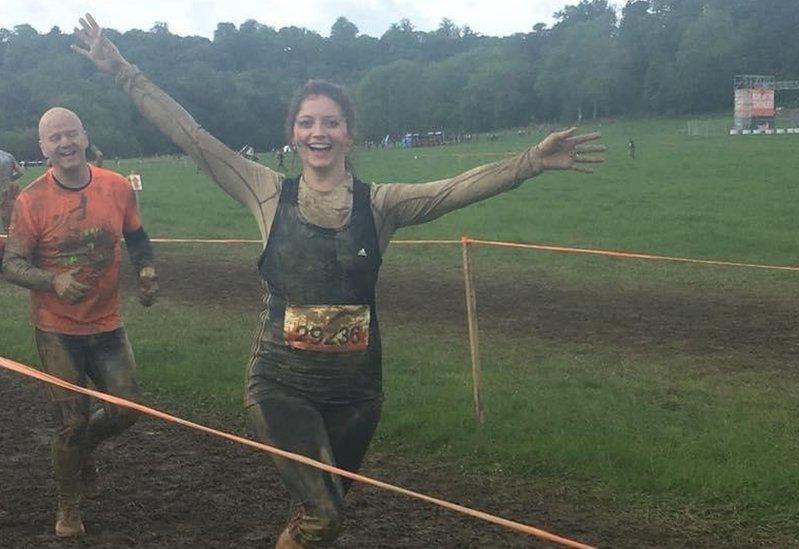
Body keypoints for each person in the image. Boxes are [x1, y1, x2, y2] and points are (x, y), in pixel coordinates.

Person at [75, 14, 605, 548]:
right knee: (323, 515)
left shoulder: (380, 205)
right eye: (307, 122)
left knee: (316, 518)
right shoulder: (264, 191)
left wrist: (530, 162)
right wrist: (122, 71)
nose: (318, 133)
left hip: (356, 393)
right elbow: (192, 137)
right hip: (280, 383)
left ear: (348, 132)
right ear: (293, 133)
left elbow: (454, 190)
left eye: (330, 122)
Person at [1, 106, 159, 538]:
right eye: (55, 138)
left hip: (107, 324)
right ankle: (68, 505)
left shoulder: (117, 187)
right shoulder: (31, 200)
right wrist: (53, 280)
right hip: (57, 329)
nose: (65, 143)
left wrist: (146, 271)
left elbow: (138, 238)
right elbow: (11, 264)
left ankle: (83, 448)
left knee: (128, 411)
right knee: (71, 421)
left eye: (71, 134)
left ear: (85, 137)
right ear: (42, 148)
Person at [1, 148, 26, 232]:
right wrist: (10, 179)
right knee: (9, 222)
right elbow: (21, 172)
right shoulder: (8, 156)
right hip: (7, 192)